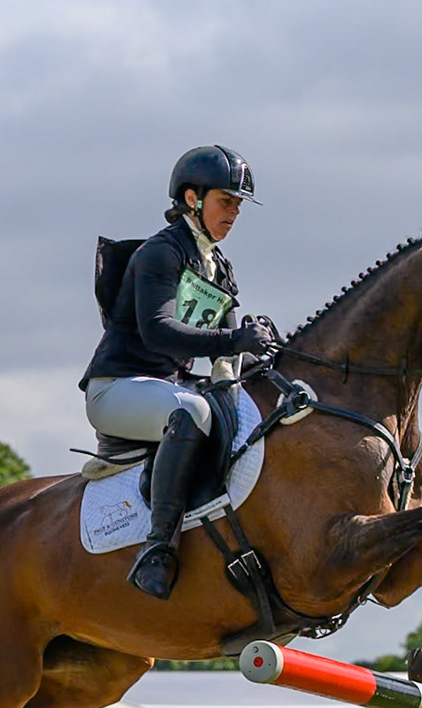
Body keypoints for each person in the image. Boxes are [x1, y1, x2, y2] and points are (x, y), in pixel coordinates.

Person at [79, 144, 280, 600]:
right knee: (192, 410)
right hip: (117, 389)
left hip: (165, 389)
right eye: (225, 201)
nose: (233, 213)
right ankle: (158, 549)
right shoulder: (161, 253)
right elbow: (159, 332)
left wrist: (263, 350)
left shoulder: (220, 268)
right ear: (193, 199)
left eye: (238, 205)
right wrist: (233, 341)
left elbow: (229, 356)